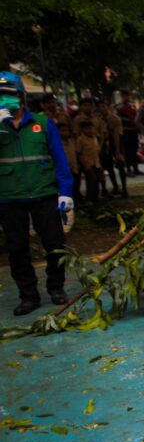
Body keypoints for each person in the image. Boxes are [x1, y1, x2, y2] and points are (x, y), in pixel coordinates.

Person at [0, 72, 75, 316]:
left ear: (21, 96)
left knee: (55, 244)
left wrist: (65, 192)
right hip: (10, 197)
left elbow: (59, 160)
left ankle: (56, 287)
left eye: (9, 95)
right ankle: (28, 295)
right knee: (17, 248)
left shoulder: (43, 124)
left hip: (44, 193)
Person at [99, 99, 128, 197]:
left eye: (103, 106)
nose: (102, 108)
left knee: (120, 164)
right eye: (100, 107)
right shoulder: (98, 119)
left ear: (108, 107)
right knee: (108, 166)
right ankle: (115, 187)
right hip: (104, 144)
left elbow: (117, 135)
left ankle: (124, 188)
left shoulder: (115, 119)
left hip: (116, 142)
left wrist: (118, 151)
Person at [75, 119, 102, 204]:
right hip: (87, 163)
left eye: (91, 128)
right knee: (91, 181)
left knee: (97, 181)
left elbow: (97, 151)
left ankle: (95, 198)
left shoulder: (94, 138)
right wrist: (84, 164)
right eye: (87, 128)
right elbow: (78, 153)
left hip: (96, 163)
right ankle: (88, 199)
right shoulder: (80, 139)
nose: (90, 130)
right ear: (82, 129)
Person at [115, 90, 141, 176]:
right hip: (125, 131)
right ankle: (129, 169)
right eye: (125, 96)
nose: (127, 98)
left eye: (128, 96)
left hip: (133, 130)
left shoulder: (132, 106)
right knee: (127, 151)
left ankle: (135, 168)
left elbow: (136, 118)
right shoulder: (119, 107)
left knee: (134, 149)